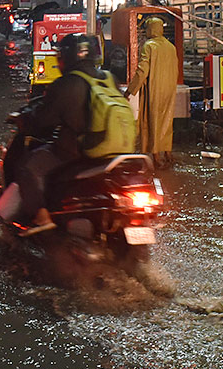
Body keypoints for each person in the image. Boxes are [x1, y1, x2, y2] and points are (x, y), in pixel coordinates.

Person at [14, 33, 134, 234]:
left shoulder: (67, 83)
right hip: (117, 153)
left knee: (28, 167)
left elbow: (42, 122)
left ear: (67, 58)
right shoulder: (109, 78)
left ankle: (42, 218)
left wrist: (25, 121)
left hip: (78, 152)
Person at [124, 15, 176, 167]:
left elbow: (142, 71)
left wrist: (130, 91)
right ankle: (167, 152)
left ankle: (156, 156)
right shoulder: (171, 47)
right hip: (169, 89)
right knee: (167, 120)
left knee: (153, 120)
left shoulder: (149, 46)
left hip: (154, 88)